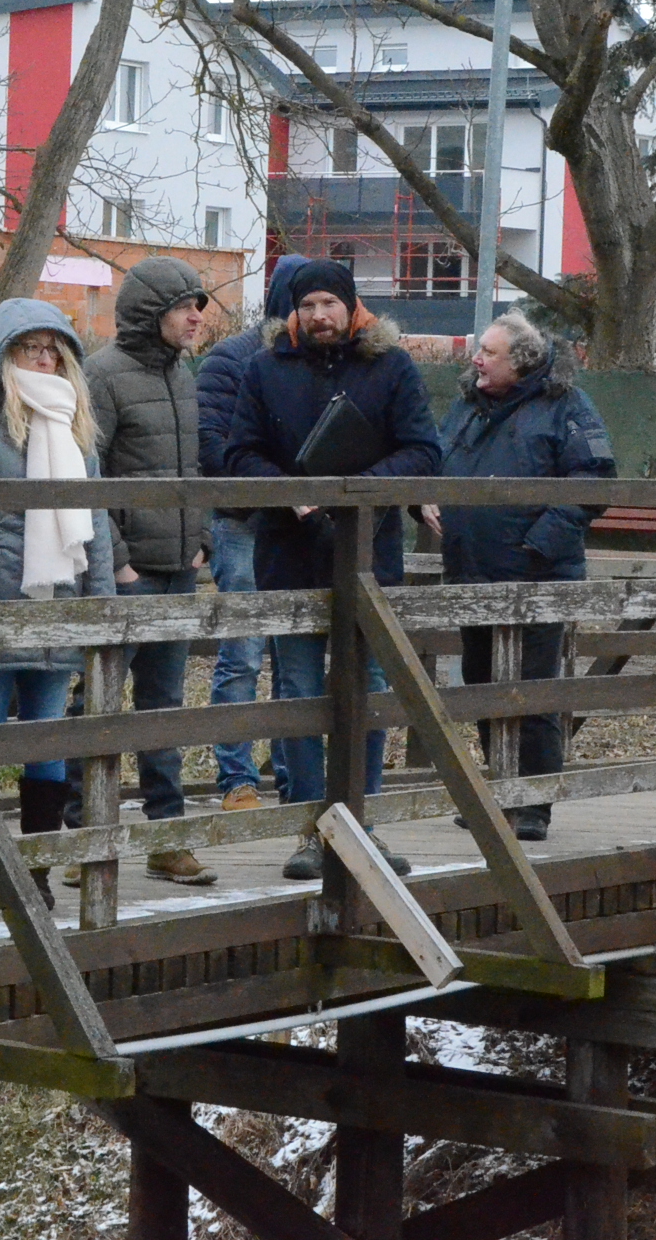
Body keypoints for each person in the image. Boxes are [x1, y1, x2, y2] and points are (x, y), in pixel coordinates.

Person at [223, 257, 439, 880]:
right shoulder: (265, 369)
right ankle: (312, 828)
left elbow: (423, 450)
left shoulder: (390, 366)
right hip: (289, 555)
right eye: (307, 305)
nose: (319, 316)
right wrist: (290, 492)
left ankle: (361, 823)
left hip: (369, 556)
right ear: (293, 311)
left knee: (368, 689)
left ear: (351, 307)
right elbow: (239, 454)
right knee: (298, 692)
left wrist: (357, 489)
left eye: (329, 304)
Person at [0, 299, 118, 915]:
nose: (42, 360)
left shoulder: (72, 418)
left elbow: (93, 519)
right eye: (29, 348)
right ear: (3, 352)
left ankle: (35, 870)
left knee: (48, 741)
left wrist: (101, 604)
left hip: (59, 601)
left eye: (52, 350)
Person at [418, 315, 615, 841]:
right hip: (472, 570)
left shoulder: (567, 405)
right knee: (481, 681)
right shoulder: (467, 405)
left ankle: (533, 804)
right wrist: (423, 501)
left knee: (531, 689)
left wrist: (536, 545)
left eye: (489, 352)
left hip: (539, 576)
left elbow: (594, 480)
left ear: (521, 362)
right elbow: (434, 461)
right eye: (479, 349)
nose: (476, 359)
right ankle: (501, 792)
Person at [76, 257, 217, 885]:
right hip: (126, 575)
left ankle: (168, 839)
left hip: (179, 569)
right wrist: (119, 563)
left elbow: (194, 468)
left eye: (198, 307)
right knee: (97, 705)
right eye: (185, 307)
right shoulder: (101, 375)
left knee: (165, 709)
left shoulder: (183, 376)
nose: (196, 318)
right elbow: (86, 476)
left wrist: (202, 538)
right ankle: (83, 839)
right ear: (149, 312)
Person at [193, 254, 306, 811]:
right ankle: (236, 778)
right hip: (242, 523)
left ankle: (292, 777)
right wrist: (277, 486)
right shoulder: (230, 360)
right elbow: (212, 445)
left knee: (294, 660)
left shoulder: (320, 362)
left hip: (298, 529)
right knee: (242, 654)